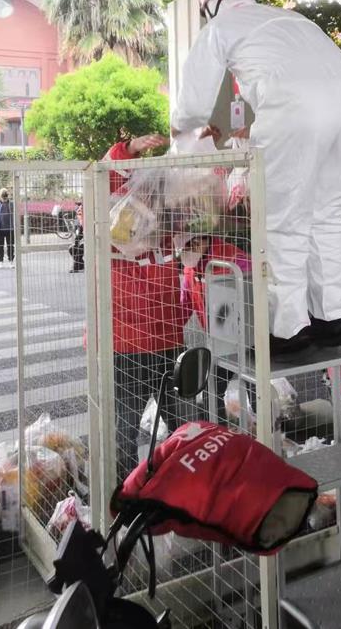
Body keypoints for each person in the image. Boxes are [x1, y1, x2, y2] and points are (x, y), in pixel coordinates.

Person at [171, 0, 341, 355]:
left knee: (282, 220)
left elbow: (192, 106)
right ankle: (332, 319)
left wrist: (180, 137)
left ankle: (288, 328)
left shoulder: (220, 27)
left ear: (210, 3)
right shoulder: (292, 19)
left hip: (295, 104)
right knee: (329, 216)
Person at [103, 133, 192, 480]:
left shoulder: (167, 227)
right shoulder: (112, 224)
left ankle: (180, 479)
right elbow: (103, 178)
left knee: (179, 421)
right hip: (128, 343)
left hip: (163, 338)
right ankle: (122, 490)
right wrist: (127, 150)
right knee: (126, 424)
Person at [0, 187, 15, 269]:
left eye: (5, 196)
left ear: (7, 195)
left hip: (10, 228)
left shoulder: (12, 204)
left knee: (10, 246)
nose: (4, 198)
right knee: (0, 246)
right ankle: (0, 262)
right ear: (0, 196)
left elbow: (15, 215)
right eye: (3, 196)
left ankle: (11, 261)